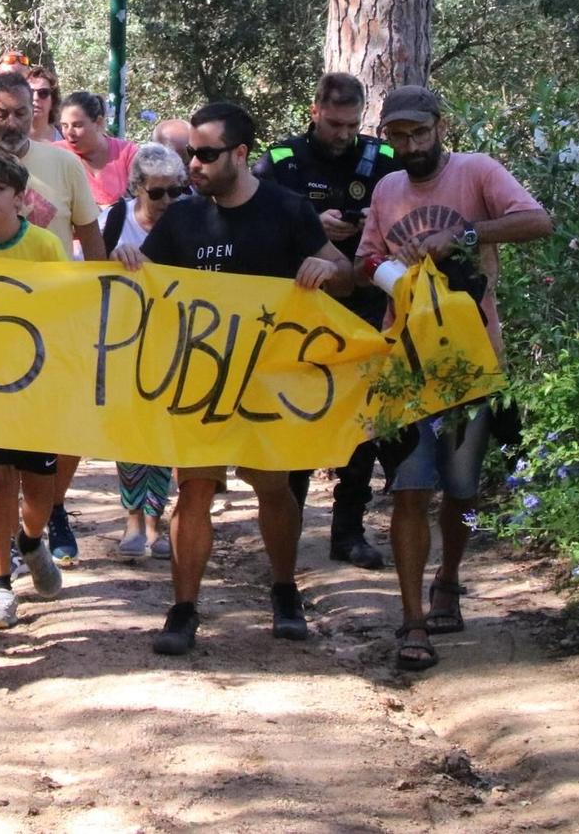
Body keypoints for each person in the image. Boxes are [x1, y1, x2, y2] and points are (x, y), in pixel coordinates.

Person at [112, 101, 357, 656]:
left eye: (205, 154)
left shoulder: (287, 209)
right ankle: (183, 609)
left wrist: (329, 268)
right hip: (197, 383)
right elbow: (147, 287)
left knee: (272, 486)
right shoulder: (183, 217)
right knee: (194, 488)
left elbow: (344, 274)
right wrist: (128, 262)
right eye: (189, 153)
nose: (191, 165)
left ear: (241, 154)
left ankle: (284, 590)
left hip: (269, 381)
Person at [358, 85, 552, 671]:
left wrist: (466, 235)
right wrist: (386, 274)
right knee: (409, 488)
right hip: (405, 368)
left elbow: (536, 220)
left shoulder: (478, 172)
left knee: (463, 493)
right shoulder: (387, 188)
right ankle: (413, 618)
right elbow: (367, 256)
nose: (409, 145)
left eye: (419, 133)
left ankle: (450, 576)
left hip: (472, 363)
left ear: (441, 127)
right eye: (398, 135)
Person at [0, 70, 105, 561]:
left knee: (65, 435)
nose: (11, 122)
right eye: (0, 113)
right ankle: (4, 564)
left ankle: (51, 509)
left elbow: (91, 245)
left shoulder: (66, 165)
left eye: (20, 112)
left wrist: (99, 307)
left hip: (59, 330)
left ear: (36, 111)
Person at [253, 72, 406, 571]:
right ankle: (287, 529)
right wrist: (307, 225)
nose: (342, 133)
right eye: (333, 123)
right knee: (297, 415)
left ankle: (349, 531)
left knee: (358, 423)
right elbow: (249, 215)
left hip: (363, 303)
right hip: (300, 308)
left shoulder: (382, 161)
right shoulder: (281, 162)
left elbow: (410, 210)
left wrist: (366, 225)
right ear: (315, 110)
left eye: (351, 124)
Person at [0, 152, 70, 630]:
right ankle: (2, 587)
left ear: (20, 198)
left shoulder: (44, 246)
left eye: (0, 189)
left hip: (39, 387)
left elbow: (69, 306)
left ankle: (30, 540)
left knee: (39, 488)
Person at [99, 142, 189, 558]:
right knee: (131, 433)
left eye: (176, 191)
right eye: (157, 193)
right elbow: (83, 271)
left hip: (179, 344)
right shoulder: (114, 221)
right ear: (136, 188)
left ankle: (157, 521)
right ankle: (132, 520)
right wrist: (111, 259)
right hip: (126, 343)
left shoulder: (193, 221)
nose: (168, 201)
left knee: (165, 434)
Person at [59, 91, 138, 208]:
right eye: (65, 126)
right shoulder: (56, 153)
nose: (69, 133)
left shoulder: (127, 152)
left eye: (77, 125)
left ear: (98, 122)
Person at [26, 66, 62, 141]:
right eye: (30, 92)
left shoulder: (65, 137)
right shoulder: (8, 137)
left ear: (53, 101)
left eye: (43, 93)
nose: (35, 98)